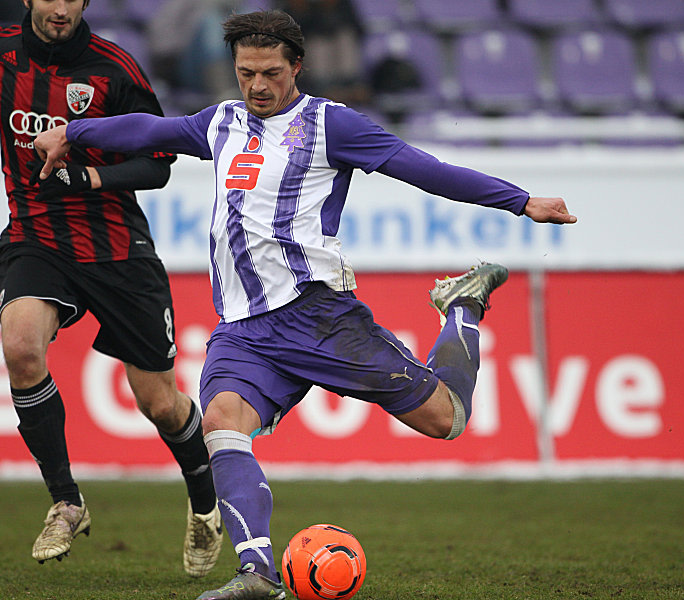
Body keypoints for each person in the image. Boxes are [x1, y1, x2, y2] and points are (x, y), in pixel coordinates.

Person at [33, 9, 577, 599]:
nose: (257, 86)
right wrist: (76, 133)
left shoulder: (330, 125)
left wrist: (521, 202)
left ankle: (463, 306)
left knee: (447, 420)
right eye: (245, 73)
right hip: (243, 329)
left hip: (320, 317)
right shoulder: (220, 122)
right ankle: (257, 574)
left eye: (270, 73)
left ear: (297, 67)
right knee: (220, 423)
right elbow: (152, 132)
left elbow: (425, 170)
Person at [0, 0, 223, 578]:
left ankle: (205, 504)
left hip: (117, 251)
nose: (60, 9)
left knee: (159, 402)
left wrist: (89, 175)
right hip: (36, 239)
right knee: (20, 349)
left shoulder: (115, 70)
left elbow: (158, 163)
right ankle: (66, 501)